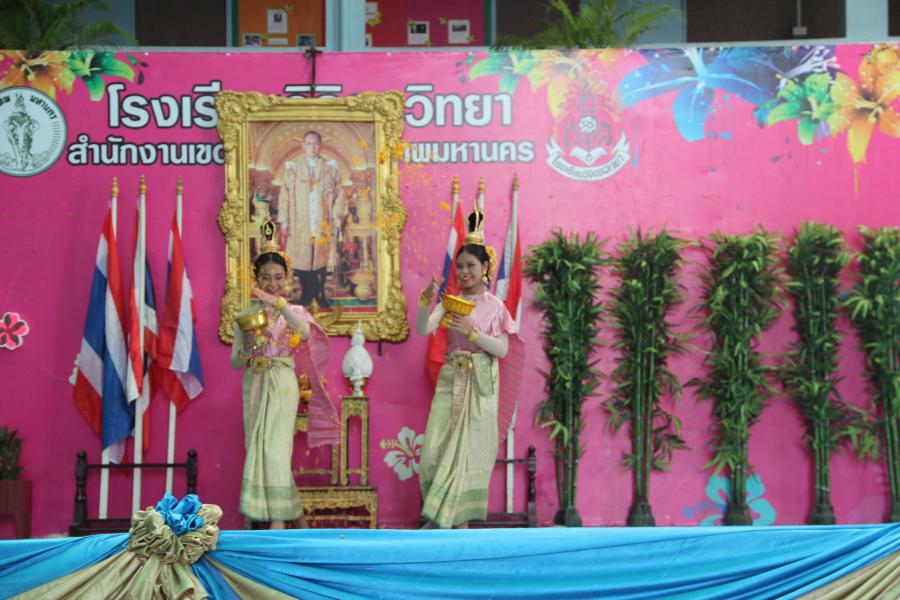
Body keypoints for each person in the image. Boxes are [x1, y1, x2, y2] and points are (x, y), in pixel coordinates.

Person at [415, 207, 523, 529]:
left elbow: (502, 349)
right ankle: (442, 521)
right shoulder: (449, 302)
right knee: (433, 452)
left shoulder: (495, 307)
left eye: (471, 266)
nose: (464, 272)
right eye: (460, 266)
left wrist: (473, 334)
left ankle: (456, 528)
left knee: (466, 454)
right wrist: (424, 303)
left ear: (485, 268)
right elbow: (423, 329)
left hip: (480, 385)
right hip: (451, 379)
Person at [231, 220, 340, 529]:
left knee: (277, 453)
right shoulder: (245, 317)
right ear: (256, 280)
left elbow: (304, 333)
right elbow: (235, 364)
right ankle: (292, 520)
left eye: (278, 277)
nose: (272, 283)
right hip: (254, 383)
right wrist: (246, 349)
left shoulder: (296, 313)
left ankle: (278, 522)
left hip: (282, 383)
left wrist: (279, 305)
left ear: (288, 278)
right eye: (265, 278)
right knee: (258, 451)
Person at [277, 130, 345, 308]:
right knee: (303, 258)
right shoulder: (292, 169)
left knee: (322, 257)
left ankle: (320, 296)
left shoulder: (330, 167)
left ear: (320, 145)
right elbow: (284, 195)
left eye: (315, 144)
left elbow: (340, 194)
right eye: (309, 143)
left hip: (323, 220)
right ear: (303, 146)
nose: (312, 147)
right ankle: (306, 295)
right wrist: (284, 220)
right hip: (300, 220)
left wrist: (337, 214)